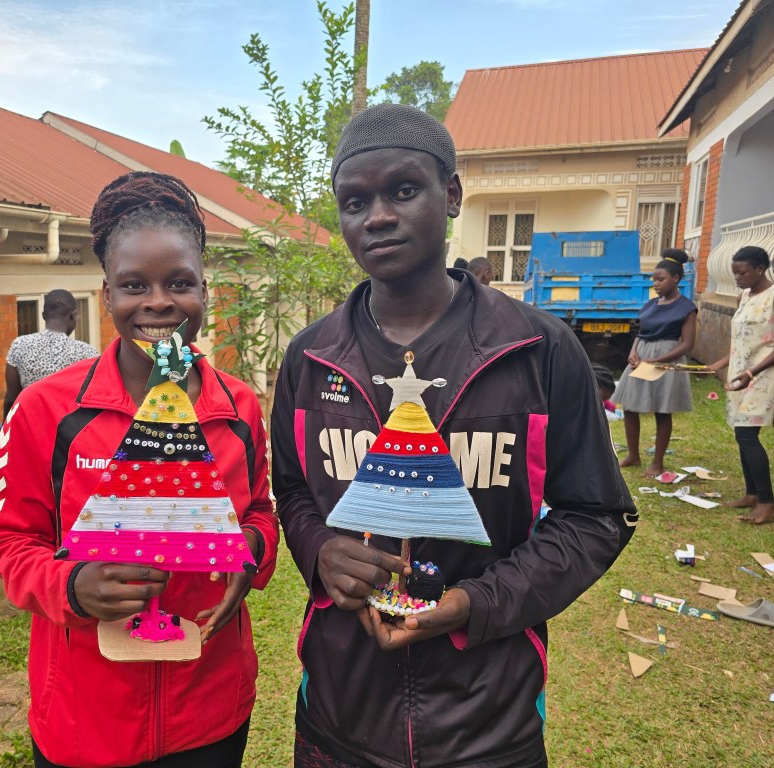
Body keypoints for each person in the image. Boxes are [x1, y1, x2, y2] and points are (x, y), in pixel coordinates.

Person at [271, 103, 636, 768]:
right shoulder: (310, 358)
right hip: (339, 709)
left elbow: (595, 516)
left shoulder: (539, 350)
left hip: (489, 718)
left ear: (453, 195)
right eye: (355, 202)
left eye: (404, 190)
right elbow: (293, 492)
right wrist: (320, 549)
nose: (378, 216)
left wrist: (475, 603)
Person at [0, 171, 279, 768]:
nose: (158, 302)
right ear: (106, 293)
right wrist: (72, 586)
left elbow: (259, 514)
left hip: (210, 709)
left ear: (204, 289)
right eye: (134, 284)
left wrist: (249, 552)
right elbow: (9, 543)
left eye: (180, 283)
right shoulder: (46, 410)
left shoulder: (239, 408)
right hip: (85, 720)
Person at [612, 249, 696, 477]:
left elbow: (687, 344)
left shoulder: (686, 308)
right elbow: (641, 333)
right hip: (642, 357)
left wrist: (656, 360)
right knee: (630, 406)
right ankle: (633, 455)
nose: (656, 284)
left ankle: (657, 462)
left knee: (662, 410)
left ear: (676, 279)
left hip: (667, 359)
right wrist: (633, 352)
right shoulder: (651, 304)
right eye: (654, 280)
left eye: (661, 279)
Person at [707, 246, 774, 525]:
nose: (736, 278)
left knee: (747, 433)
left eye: (741, 273)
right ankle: (752, 494)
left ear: (760, 269)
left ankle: (767, 503)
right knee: (740, 432)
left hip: (763, 375)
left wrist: (751, 372)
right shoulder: (744, 296)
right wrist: (718, 364)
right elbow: (740, 341)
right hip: (740, 375)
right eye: (734, 273)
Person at [1, 289, 98, 427]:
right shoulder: (88, 354)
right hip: (71, 433)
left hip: (32, 429)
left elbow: (11, 399)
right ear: (73, 315)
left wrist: (4, 428)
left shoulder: (20, 346)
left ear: (43, 316)